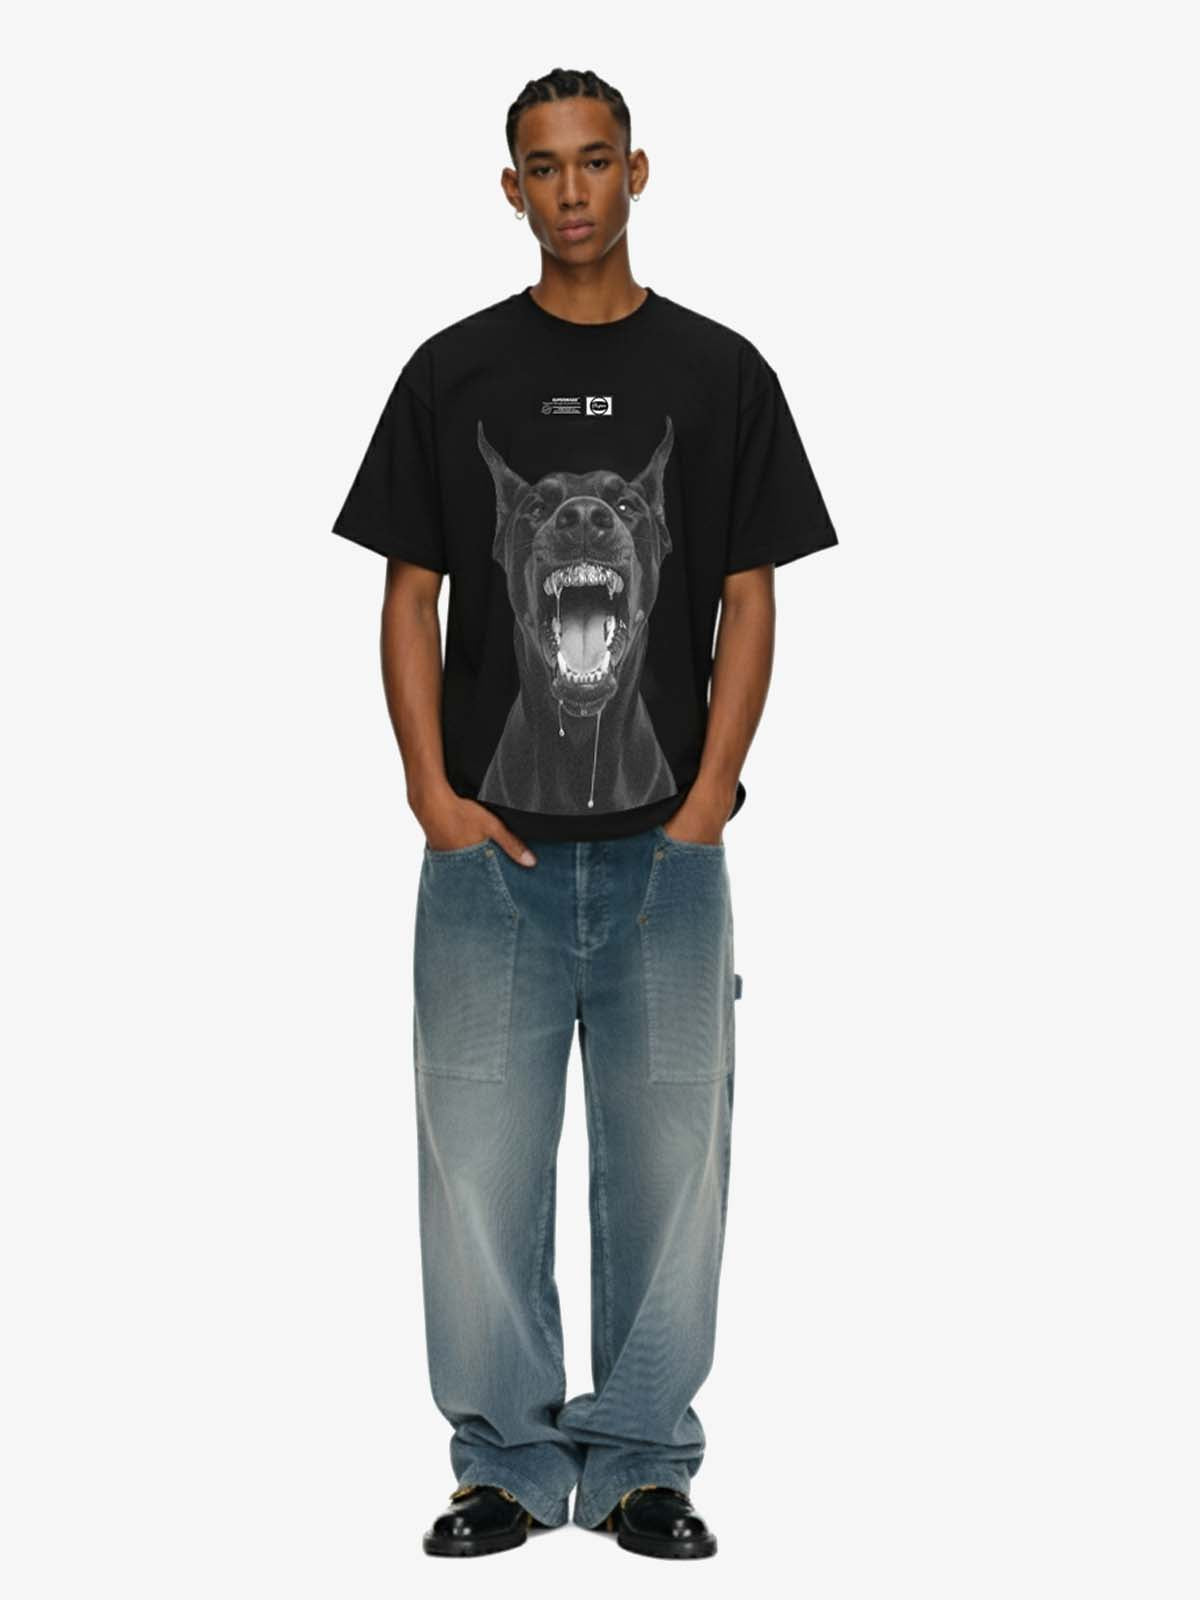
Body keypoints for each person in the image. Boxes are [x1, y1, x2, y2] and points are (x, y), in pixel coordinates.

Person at [331, 65, 838, 1561]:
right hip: (487, 858)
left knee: (673, 1171)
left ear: (637, 172)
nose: (572, 190)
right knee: (478, 1175)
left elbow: (748, 594)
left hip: (667, 861)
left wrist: (710, 797)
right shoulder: (451, 372)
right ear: (512, 189)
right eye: (544, 167)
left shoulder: (722, 372)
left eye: (595, 160)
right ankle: (498, 1461)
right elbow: (408, 593)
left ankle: (639, 1466)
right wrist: (429, 794)